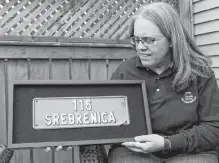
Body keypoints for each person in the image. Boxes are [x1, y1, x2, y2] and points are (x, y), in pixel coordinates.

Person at [108, 2, 219, 163]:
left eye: (149, 40)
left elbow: (213, 128)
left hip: (189, 151)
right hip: (137, 152)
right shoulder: (125, 72)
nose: (140, 47)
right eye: (136, 40)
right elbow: (104, 120)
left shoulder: (200, 72)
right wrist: (68, 136)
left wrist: (167, 143)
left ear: (172, 40)